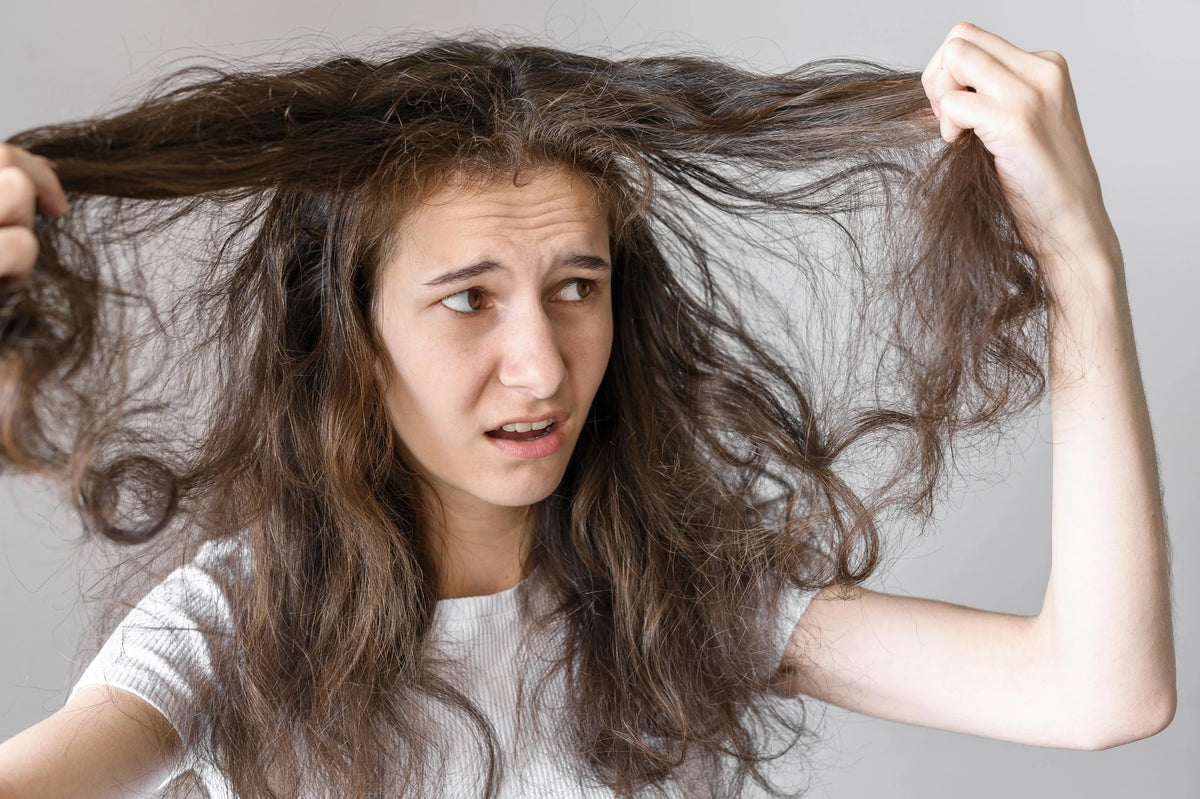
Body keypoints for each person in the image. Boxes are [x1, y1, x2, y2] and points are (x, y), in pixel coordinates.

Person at [0, 21, 1175, 799]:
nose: (544, 367)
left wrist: (1080, 260)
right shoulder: (225, 633)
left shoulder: (683, 600)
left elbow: (1096, 691)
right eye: (468, 301)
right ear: (348, 344)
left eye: (577, 288)